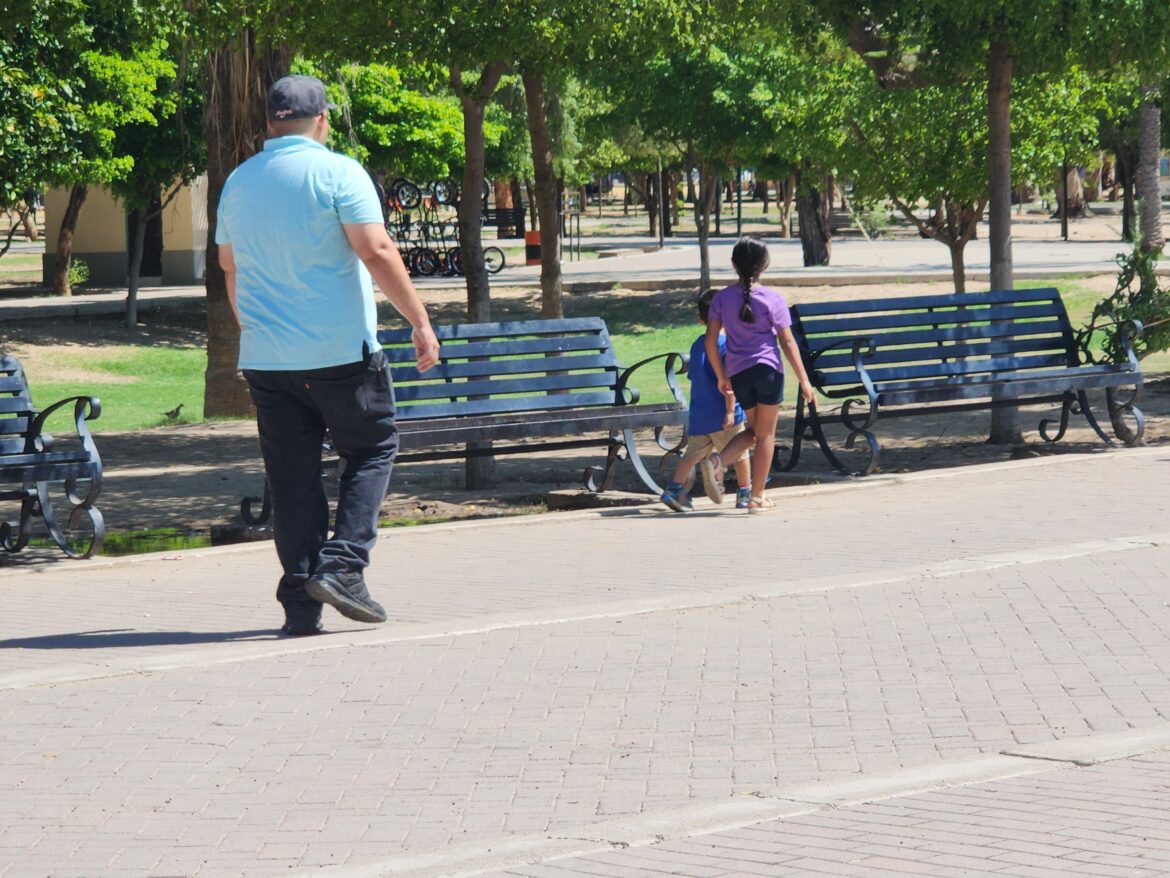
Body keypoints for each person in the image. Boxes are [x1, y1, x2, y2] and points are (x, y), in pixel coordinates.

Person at [215, 75, 440, 636]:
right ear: (323, 121)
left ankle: (300, 604)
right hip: (339, 352)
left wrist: (257, 333)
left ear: (270, 122)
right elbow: (377, 249)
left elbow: (229, 267)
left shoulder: (238, 183)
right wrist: (420, 321)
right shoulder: (338, 171)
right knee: (371, 447)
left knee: (291, 480)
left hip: (268, 359)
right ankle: (343, 566)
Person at [702, 236, 815, 514]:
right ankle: (756, 497)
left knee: (755, 431)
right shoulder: (773, 299)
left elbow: (710, 340)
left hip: (739, 374)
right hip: (767, 372)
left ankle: (718, 461)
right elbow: (788, 342)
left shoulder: (721, 298)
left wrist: (720, 375)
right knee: (766, 435)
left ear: (733, 265)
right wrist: (804, 379)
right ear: (764, 266)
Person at [660, 289, 753, 512]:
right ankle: (744, 492)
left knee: (691, 456)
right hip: (723, 414)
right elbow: (729, 385)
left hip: (700, 415)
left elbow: (695, 377)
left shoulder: (697, 345)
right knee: (740, 454)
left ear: (700, 318)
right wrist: (731, 412)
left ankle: (675, 491)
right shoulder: (727, 346)